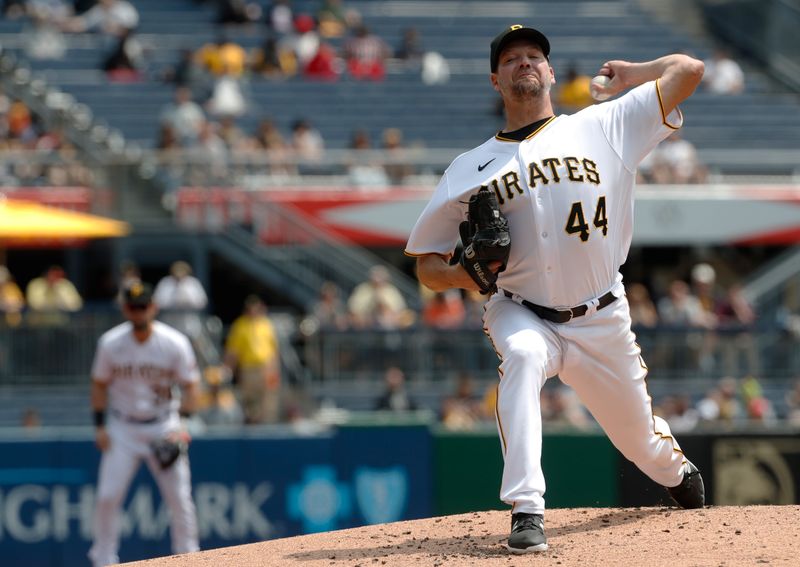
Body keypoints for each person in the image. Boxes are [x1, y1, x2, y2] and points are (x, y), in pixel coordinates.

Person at [405, 24, 706, 553]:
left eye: (534, 56)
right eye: (512, 58)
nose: (524, 62)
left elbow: (689, 71)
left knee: (641, 445)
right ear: (495, 80)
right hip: (521, 309)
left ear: (549, 72)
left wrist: (635, 74)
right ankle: (527, 509)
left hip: (601, 316)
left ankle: (677, 472)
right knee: (520, 357)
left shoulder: (605, 124)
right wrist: (460, 274)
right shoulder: (468, 168)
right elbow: (426, 266)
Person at [88, 282, 200, 567]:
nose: (139, 312)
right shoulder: (111, 343)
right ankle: (103, 558)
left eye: (144, 306)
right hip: (123, 427)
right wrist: (99, 426)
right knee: (107, 496)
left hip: (164, 426)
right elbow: (99, 384)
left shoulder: (174, 342)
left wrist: (183, 424)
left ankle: (188, 556)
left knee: (180, 499)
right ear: (126, 309)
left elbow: (191, 385)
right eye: (134, 306)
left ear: (154, 307)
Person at [223, 295, 282, 424]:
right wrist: (228, 368)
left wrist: (274, 369)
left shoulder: (266, 324)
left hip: (265, 368)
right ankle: (251, 428)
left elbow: (274, 350)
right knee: (249, 401)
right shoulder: (240, 325)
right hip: (248, 369)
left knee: (267, 401)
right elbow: (233, 351)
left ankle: (267, 427)